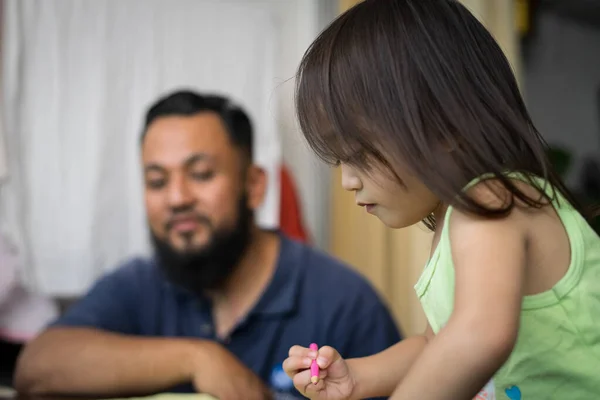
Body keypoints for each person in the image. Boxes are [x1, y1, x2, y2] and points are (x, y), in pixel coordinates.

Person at [282, 0, 600, 399]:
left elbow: (478, 336)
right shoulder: (458, 220)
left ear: (444, 125)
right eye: (339, 160)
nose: (347, 180)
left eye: (359, 153)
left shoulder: (492, 201)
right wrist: (357, 379)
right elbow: (437, 344)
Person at [14, 90, 401, 400]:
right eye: (157, 181)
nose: (177, 197)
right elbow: (37, 368)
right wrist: (198, 359)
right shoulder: (139, 284)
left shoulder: (344, 303)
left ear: (253, 186)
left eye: (200, 174)